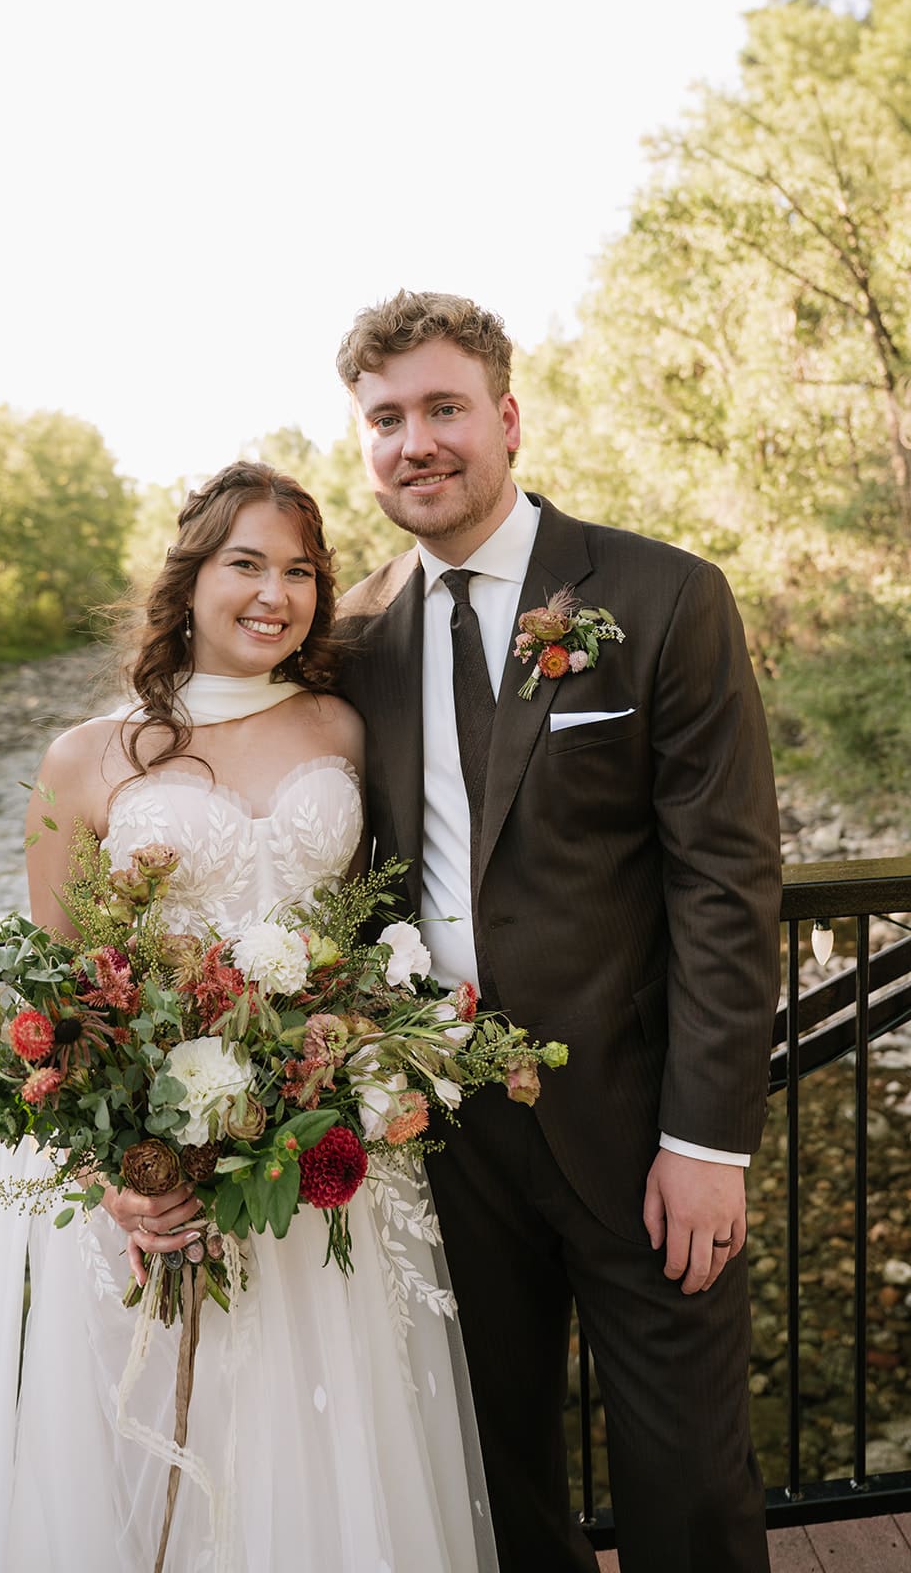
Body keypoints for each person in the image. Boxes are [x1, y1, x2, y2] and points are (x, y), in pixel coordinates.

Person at [0, 461, 497, 1573]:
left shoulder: (341, 725)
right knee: (157, 1458)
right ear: (189, 577)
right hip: (153, 1179)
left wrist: (364, 1058)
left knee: (332, 1452)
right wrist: (119, 1173)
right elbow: (50, 995)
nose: (273, 593)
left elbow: (376, 920)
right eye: (246, 563)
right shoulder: (85, 755)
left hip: (315, 1157)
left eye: (299, 570)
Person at [335, 290, 783, 1573]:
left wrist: (707, 1139)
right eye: (384, 420)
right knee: (486, 1472)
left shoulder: (660, 596)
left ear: (507, 419)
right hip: (442, 1140)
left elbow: (724, 880)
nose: (414, 442)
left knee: (688, 1479)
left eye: (440, 409)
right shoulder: (356, 636)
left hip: (641, 1128)